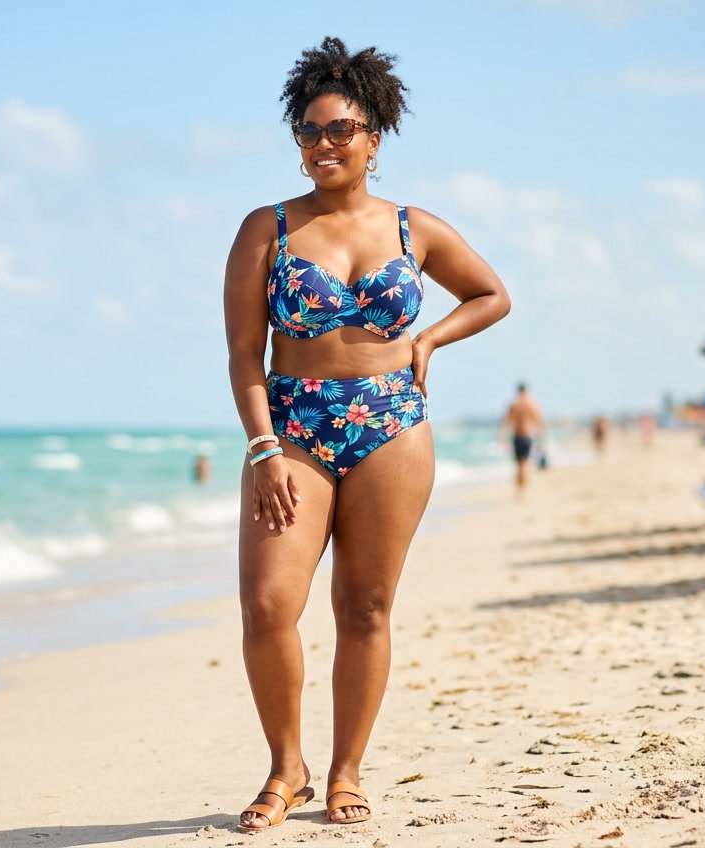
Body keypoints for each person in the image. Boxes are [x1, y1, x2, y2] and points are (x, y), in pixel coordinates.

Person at [223, 37, 510, 831]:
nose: (322, 144)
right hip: (294, 430)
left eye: (339, 129)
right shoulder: (267, 229)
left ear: (373, 138)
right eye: (309, 132)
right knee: (269, 604)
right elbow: (246, 353)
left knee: (367, 604)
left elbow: (491, 294)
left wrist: (426, 340)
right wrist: (263, 447)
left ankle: (347, 772)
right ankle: (288, 767)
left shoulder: (414, 228)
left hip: (391, 424)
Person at [502, 383, 543, 500]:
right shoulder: (532, 404)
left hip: (516, 437)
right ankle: (523, 491)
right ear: (526, 391)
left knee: (519, 464)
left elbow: (505, 422)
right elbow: (539, 421)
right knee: (525, 464)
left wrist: (503, 438)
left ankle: (519, 491)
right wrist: (540, 438)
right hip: (527, 437)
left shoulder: (513, 404)